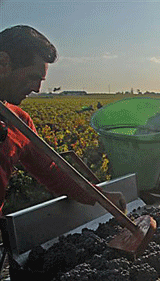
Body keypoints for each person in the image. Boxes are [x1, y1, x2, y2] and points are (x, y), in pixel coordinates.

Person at [0, 25, 126, 216]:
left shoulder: (19, 122)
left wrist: (100, 197)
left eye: (41, 80)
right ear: (3, 63)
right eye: (33, 78)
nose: (37, 89)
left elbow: (52, 171)